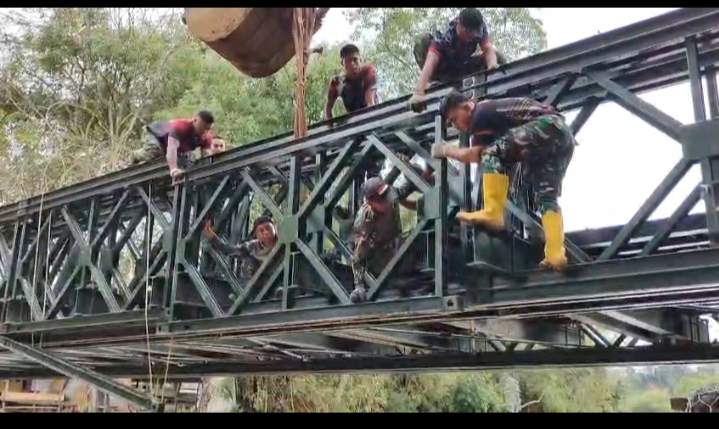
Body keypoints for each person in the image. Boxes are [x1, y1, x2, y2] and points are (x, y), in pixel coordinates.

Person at [431, 90, 576, 271]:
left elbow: (477, 154)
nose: (455, 126)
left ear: (467, 107)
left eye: (454, 119)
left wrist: (445, 150)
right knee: (546, 197)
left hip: (547, 126)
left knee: (491, 152)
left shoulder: (480, 113)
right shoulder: (487, 117)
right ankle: (555, 255)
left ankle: (493, 212)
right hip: (561, 137)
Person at [350, 161, 433, 303]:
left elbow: (407, 188)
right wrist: (359, 286)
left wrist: (420, 170)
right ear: (371, 201)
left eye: (386, 194)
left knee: (420, 235)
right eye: (382, 197)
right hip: (379, 261)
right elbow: (357, 257)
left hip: (395, 246)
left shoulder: (390, 195)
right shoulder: (364, 220)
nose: (388, 199)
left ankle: (421, 273)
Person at [410, 8, 500, 113]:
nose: (471, 37)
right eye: (468, 33)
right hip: (443, 71)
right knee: (422, 40)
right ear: (459, 25)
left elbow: (488, 48)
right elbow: (431, 60)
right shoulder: (446, 36)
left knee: (496, 55)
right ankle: (432, 84)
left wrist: (492, 66)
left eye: (474, 35)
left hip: (462, 67)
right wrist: (419, 92)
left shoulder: (479, 28)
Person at [131, 110, 226, 181]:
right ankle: (134, 155)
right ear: (195, 120)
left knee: (189, 159)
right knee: (155, 151)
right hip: (157, 134)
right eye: (202, 128)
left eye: (207, 129)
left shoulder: (206, 137)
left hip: (175, 146)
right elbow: (172, 148)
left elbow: (205, 156)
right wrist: (173, 169)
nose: (204, 131)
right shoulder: (180, 126)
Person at [201, 216, 277, 282]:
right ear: (256, 235)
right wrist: (212, 237)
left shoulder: (281, 244)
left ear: (274, 228)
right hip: (258, 283)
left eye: (268, 228)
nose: (266, 232)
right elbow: (229, 250)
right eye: (261, 230)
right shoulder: (252, 246)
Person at [324, 43, 379, 121]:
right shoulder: (337, 83)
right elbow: (328, 109)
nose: (352, 64)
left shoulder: (368, 71)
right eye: (348, 61)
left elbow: (370, 102)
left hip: (373, 115)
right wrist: (331, 126)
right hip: (353, 121)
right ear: (343, 64)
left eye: (355, 59)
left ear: (361, 60)